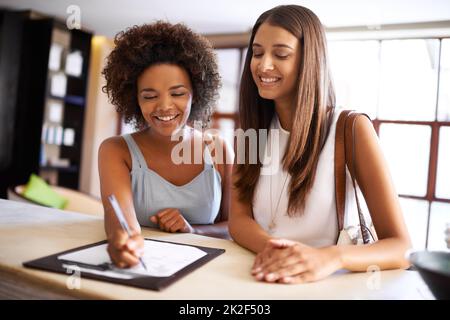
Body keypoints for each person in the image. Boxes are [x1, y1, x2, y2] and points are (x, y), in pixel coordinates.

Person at [229, 5, 412, 284]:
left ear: (309, 60)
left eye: (281, 54)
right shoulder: (253, 130)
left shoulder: (351, 129)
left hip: (328, 286)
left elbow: (401, 246)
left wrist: (330, 257)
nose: (263, 65)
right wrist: (276, 249)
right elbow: (239, 220)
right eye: (257, 53)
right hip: (264, 278)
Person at [99, 21, 232, 268]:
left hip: (207, 271)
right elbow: (120, 220)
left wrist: (193, 231)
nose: (164, 107)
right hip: (146, 267)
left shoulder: (218, 149)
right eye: (149, 96)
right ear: (135, 99)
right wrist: (123, 241)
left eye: (178, 93)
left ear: (196, 92)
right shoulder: (116, 150)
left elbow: (234, 226)